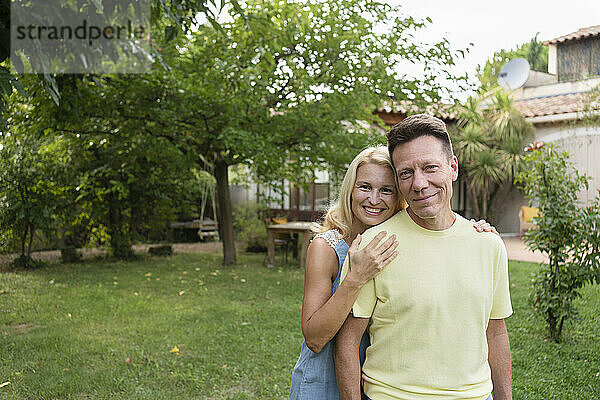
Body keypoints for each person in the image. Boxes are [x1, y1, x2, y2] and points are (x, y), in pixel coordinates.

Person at [289, 146, 498, 400]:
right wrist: (356, 278)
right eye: (365, 187)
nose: (374, 199)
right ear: (350, 189)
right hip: (325, 378)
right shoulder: (327, 247)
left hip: (370, 377)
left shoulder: (394, 241)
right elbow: (314, 339)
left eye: (386, 190)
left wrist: (471, 230)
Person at [334, 114, 513, 400]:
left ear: (453, 167)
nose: (419, 184)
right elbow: (347, 340)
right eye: (406, 173)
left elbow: (496, 334)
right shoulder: (374, 245)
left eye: (430, 168)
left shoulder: (488, 245)